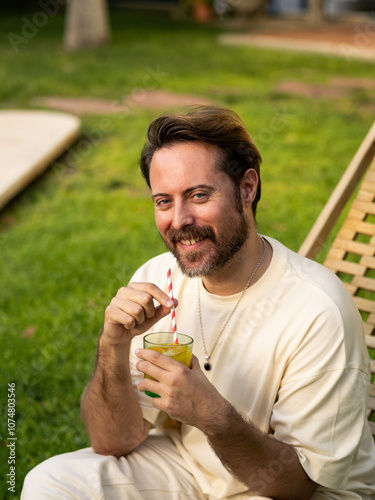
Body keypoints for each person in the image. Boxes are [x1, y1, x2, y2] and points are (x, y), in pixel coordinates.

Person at [22, 105, 375, 500]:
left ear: (247, 188)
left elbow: (299, 485)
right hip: (191, 468)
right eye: (163, 202)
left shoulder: (317, 310)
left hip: (292, 491)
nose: (180, 220)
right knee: (50, 483)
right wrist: (112, 347)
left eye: (199, 195)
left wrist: (211, 414)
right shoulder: (158, 279)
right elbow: (114, 441)